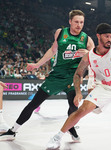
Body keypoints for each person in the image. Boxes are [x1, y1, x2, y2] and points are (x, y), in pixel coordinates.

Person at [0, 10, 94, 141]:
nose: (79, 25)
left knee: (74, 106)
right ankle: (12, 131)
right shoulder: (60, 33)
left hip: (73, 77)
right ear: (70, 22)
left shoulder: (87, 39)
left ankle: (70, 128)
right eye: (76, 22)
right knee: (34, 104)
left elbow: (95, 60)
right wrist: (37, 64)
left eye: (82, 22)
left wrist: (89, 54)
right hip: (56, 76)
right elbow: (53, 50)